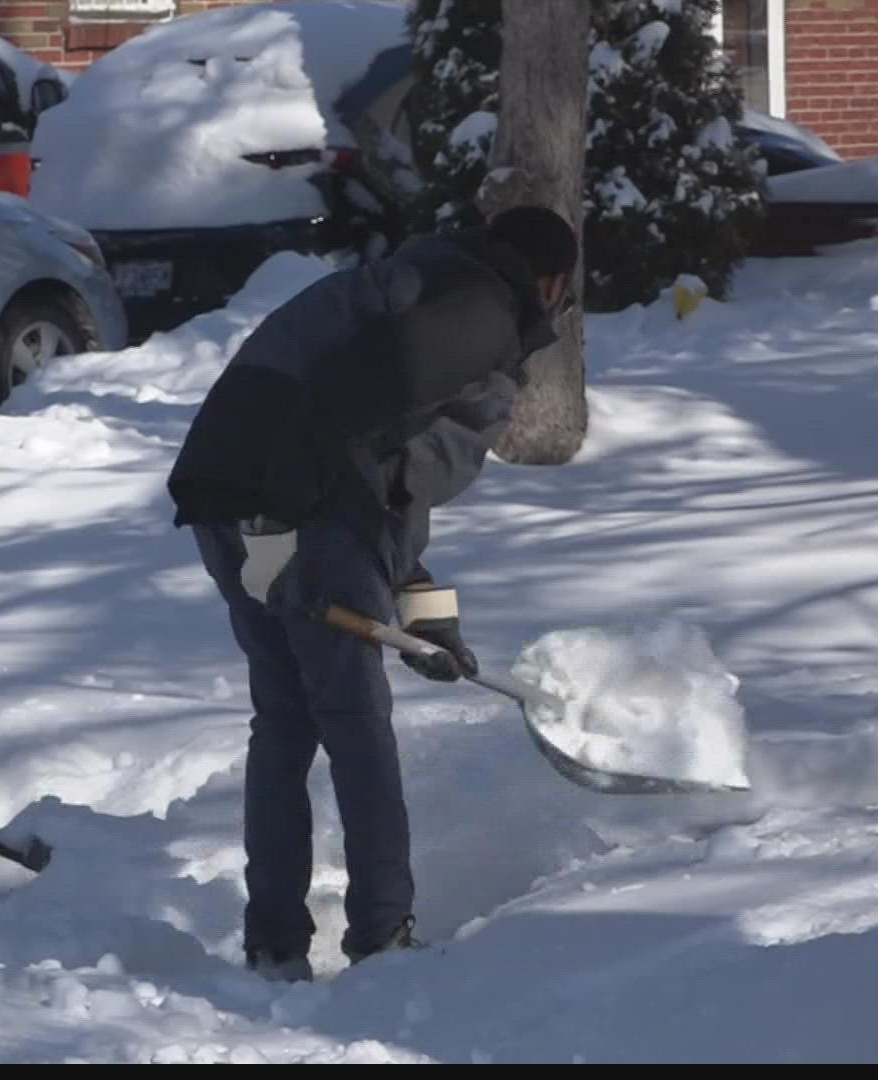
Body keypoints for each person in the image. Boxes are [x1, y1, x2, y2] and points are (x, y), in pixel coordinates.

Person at [165, 205, 580, 982]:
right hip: (289, 504)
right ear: (551, 282)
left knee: (286, 718)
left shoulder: (413, 289)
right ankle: (383, 937)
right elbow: (343, 418)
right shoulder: (480, 313)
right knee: (356, 723)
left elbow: (387, 486)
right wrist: (279, 529)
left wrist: (428, 620)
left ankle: (276, 946)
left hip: (230, 492)